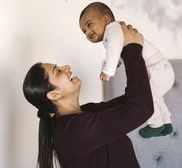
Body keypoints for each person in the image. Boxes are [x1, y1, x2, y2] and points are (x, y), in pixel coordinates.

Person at [23, 22, 153, 168]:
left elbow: (135, 100)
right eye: (58, 71)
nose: (66, 67)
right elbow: (141, 107)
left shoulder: (86, 112)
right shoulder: (74, 131)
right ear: (54, 95)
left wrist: (120, 47)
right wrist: (132, 49)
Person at [79, 2, 175, 138]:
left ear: (106, 19)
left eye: (89, 25)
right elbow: (120, 48)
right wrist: (118, 62)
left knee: (147, 96)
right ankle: (167, 124)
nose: (88, 33)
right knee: (155, 97)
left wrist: (109, 70)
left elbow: (114, 47)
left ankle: (156, 124)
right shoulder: (115, 31)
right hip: (160, 69)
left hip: (157, 69)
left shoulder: (112, 29)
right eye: (84, 31)